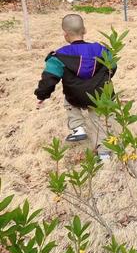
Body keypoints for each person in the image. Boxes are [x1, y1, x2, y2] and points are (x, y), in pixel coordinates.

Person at [34, 14, 115, 160]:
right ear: (84, 30)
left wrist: (42, 95)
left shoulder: (59, 56)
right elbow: (112, 67)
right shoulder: (101, 50)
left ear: (65, 34)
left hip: (75, 95)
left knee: (69, 101)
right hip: (100, 95)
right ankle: (104, 155)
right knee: (100, 121)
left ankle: (78, 128)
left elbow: (49, 79)